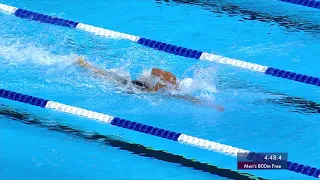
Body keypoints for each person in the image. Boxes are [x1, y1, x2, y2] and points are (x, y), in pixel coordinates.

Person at [75, 57, 224, 111]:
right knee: (110, 78)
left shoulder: (176, 91)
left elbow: (191, 99)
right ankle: (86, 65)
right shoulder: (170, 79)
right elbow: (154, 70)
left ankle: (87, 66)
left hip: (141, 89)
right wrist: (159, 80)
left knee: (112, 78)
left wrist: (212, 105)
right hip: (138, 86)